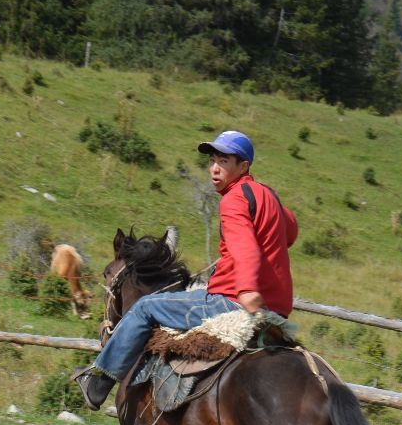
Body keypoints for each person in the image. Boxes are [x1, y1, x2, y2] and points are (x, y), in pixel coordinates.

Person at [75, 130, 298, 410]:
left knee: (145, 307)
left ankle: (98, 382)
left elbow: (245, 247)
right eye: (212, 160)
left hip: (230, 300)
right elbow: (290, 233)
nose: (214, 168)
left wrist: (248, 289)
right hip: (278, 307)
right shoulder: (270, 197)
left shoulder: (234, 199)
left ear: (243, 167)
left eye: (224, 161)